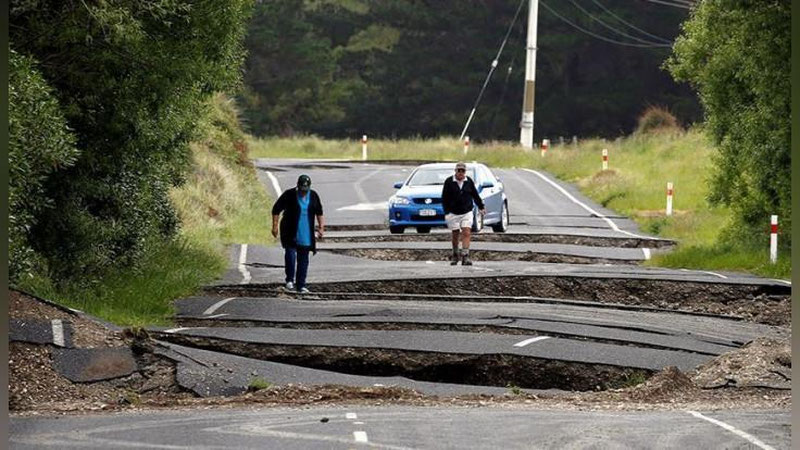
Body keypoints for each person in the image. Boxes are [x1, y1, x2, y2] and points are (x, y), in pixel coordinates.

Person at [271, 174, 324, 293]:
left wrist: (321, 228)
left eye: (306, 190)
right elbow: (276, 209)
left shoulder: (313, 195)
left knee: (303, 258)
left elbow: (319, 212)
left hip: (306, 231)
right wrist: (275, 226)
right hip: (290, 230)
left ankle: (301, 285)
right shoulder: (289, 194)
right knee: (290, 255)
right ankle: (289, 280)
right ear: (297, 186)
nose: (303, 192)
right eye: (301, 189)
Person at [441, 162, 485, 266]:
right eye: (459, 170)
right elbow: (444, 198)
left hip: (466, 211)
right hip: (453, 212)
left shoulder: (468, 181)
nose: (460, 173)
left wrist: (481, 206)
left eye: (463, 171)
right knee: (455, 233)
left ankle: (465, 256)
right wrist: (447, 212)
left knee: (466, 232)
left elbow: (475, 194)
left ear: (465, 172)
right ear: (455, 171)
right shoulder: (449, 181)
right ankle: (455, 254)